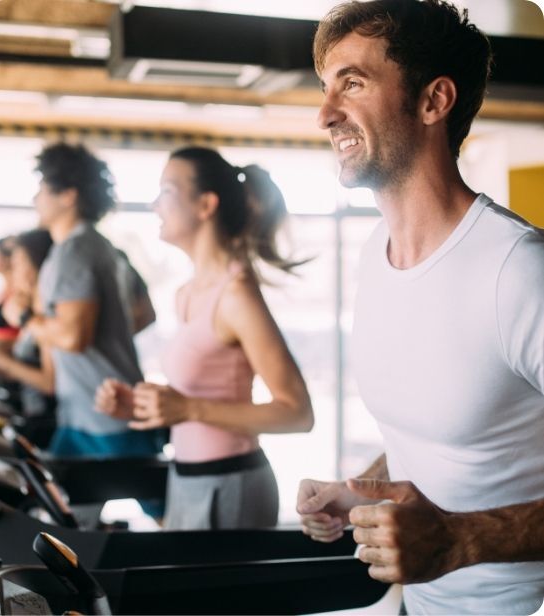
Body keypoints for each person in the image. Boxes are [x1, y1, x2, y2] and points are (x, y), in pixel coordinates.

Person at [296, 1, 544, 614]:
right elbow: (438, 441)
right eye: (327, 88)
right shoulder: (374, 260)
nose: (326, 114)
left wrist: (462, 539)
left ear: (434, 101)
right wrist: (361, 492)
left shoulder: (518, 271)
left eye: (352, 83)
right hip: (415, 602)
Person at [96, 146, 314, 530]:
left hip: (232, 482)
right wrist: (142, 407)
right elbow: (197, 397)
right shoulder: (187, 294)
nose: (154, 205)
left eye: (166, 191)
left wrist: (188, 409)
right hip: (187, 478)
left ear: (205, 205)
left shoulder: (236, 294)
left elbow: (298, 413)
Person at [22, 142, 164, 458]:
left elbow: (73, 337)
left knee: (161, 505)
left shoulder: (74, 251)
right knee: (56, 497)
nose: (36, 199)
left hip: (104, 415)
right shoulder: (100, 246)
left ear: (68, 196)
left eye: (43, 189)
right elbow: (143, 315)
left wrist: (26, 319)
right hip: (86, 411)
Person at [0, 229, 56, 448]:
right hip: (28, 409)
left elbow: (49, 382)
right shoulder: (29, 312)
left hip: (45, 417)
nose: (13, 272)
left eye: (18, 264)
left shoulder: (42, 317)